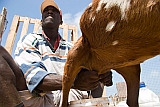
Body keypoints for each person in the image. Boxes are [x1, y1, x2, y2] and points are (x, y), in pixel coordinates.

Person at [10, 0, 112, 107]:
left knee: (96, 69)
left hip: (71, 97)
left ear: (61, 20)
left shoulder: (71, 48)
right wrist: (73, 82)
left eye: (54, 10)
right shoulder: (30, 40)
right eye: (46, 11)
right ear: (42, 19)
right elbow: (34, 78)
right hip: (41, 99)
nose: (49, 12)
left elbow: (87, 74)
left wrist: (101, 75)